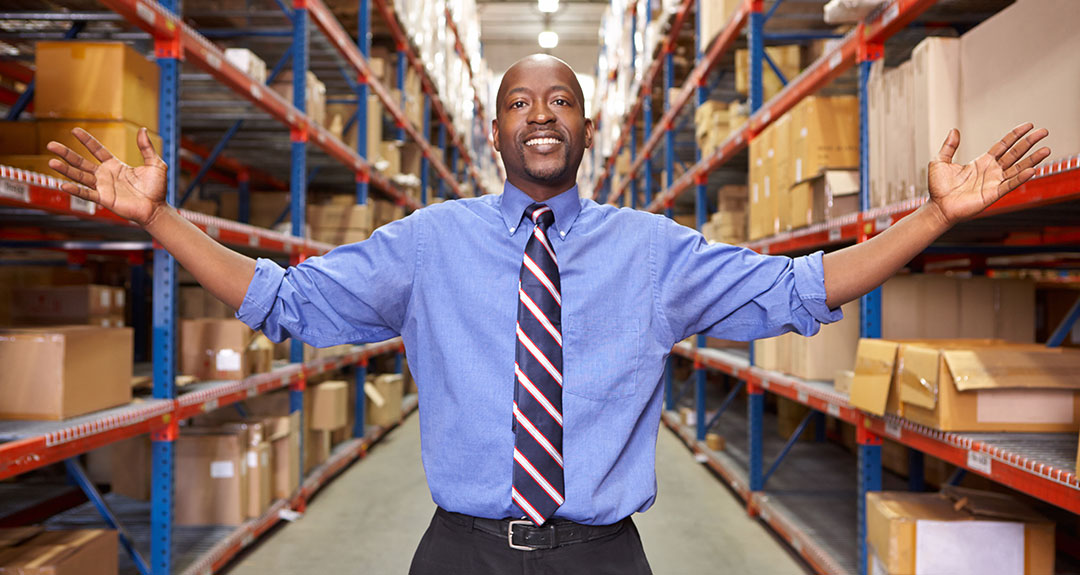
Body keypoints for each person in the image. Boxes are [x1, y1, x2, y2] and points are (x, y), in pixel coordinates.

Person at [47, 54, 1049, 574]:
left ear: (585, 126)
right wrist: (161, 219)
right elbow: (285, 299)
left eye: (561, 100)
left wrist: (932, 216)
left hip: (603, 558)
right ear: (494, 130)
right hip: (461, 550)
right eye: (522, 102)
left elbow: (802, 288)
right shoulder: (427, 243)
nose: (541, 114)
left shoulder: (654, 253)